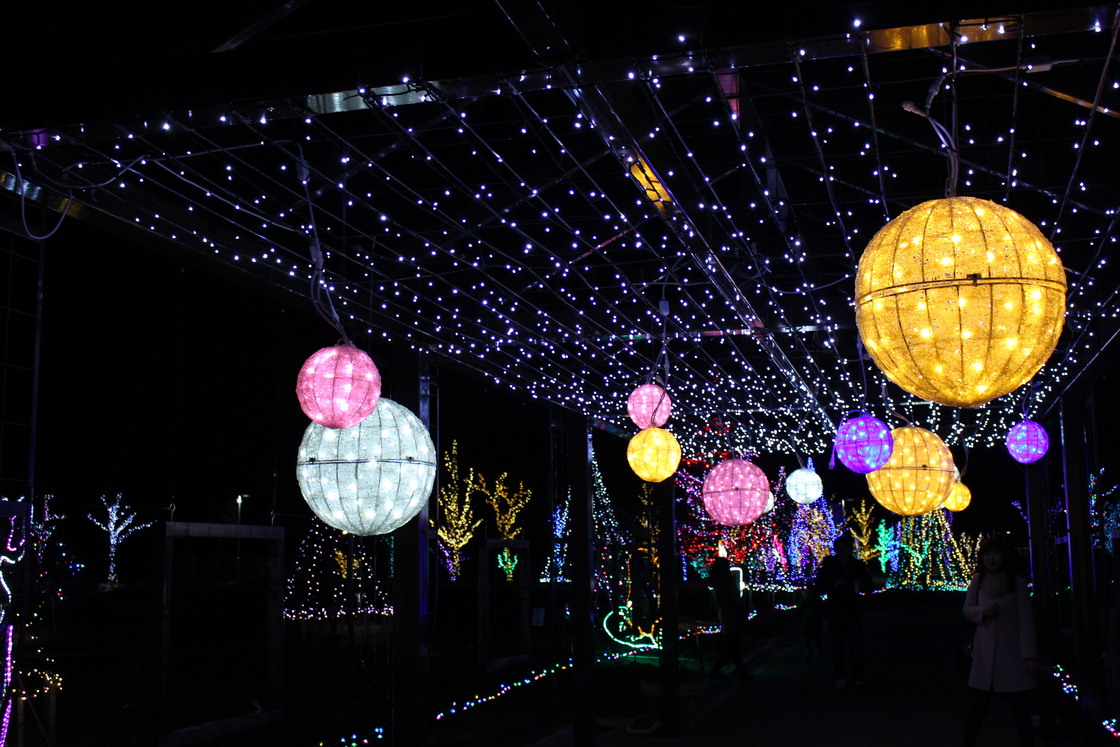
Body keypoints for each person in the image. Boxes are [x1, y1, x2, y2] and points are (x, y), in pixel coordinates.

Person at [962, 536, 1037, 746]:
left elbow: (1026, 620)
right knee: (977, 709)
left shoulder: (1018, 584)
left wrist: (1029, 655)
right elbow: (967, 609)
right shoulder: (978, 581)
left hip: (1011, 653)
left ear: (1004, 557)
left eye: (995, 554)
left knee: (1019, 710)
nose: (991, 559)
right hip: (985, 653)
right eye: (987, 554)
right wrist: (982, 612)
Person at [814, 533, 874, 691]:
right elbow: (819, 587)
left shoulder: (858, 566)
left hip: (852, 609)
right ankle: (841, 677)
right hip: (836, 609)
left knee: (855, 646)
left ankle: (858, 679)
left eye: (845, 548)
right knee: (838, 646)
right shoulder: (829, 566)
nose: (842, 551)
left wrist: (858, 584)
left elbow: (870, 586)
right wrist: (833, 586)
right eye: (839, 548)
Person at [707, 556, 749, 682]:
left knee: (732, 644)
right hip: (730, 613)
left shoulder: (718, 581)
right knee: (732, 643)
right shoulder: (724, 581)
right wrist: (740, 610)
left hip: (726, 613)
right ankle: (736, 673)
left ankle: (737, 672)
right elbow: (732, 597)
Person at [798, 586, 823, 662]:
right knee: (815, 640)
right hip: (813, 623)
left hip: (808, 623)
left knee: (808, 641)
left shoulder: (806, 600)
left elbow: (800, 610)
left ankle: (808, 656)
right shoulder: (817, 599)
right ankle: (816, 656)